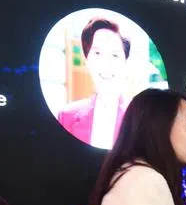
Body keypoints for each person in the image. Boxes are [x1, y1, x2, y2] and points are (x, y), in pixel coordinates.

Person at [57, 17, 133, 149]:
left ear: (125, 63)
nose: (105, 64)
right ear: (87, 60)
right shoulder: (66, 116)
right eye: (97, 53)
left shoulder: (140, 120)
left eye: (114, 55)